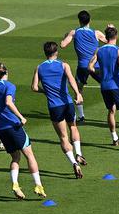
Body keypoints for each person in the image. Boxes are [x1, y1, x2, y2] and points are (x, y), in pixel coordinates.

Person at [0, 63, 45, 200]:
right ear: (5, 72)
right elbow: (8, 102)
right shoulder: (9, 86)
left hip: (1, 129)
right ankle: (38, 185)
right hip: (13, 126)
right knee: (30, 155)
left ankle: (15, 184)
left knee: (15, 157)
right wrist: (21, 117)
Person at [32, 41, 86, 177]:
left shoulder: (39, 68)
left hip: (54, 106)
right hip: (67, 103)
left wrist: (46, 92)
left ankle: (74, 162)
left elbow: (34, 87)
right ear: (56, 52)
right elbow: (72, 80)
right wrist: (78, 94)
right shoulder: (64, 65)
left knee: (63, 137)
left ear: (45, 53)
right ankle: (79, 153)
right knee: (73, 127)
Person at [88, 26, 119, 151]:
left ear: (106, 37)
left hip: (104, 86)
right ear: (116, 36)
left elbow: (90, 67)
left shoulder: (99, 50)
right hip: (116, 86)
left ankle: (114, 138)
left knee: (111, 111)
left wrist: (100, 76)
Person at [59, 10, 107, 121]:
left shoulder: (74, 32)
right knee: (109, 85)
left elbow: (62, 45)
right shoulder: (97, 33)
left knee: (79, 89)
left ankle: (81, 116)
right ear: (90, 20)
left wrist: (67, 35)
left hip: (82, 67)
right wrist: (111, 29)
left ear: (79, 21)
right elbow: (109, 41)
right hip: (96, 65)